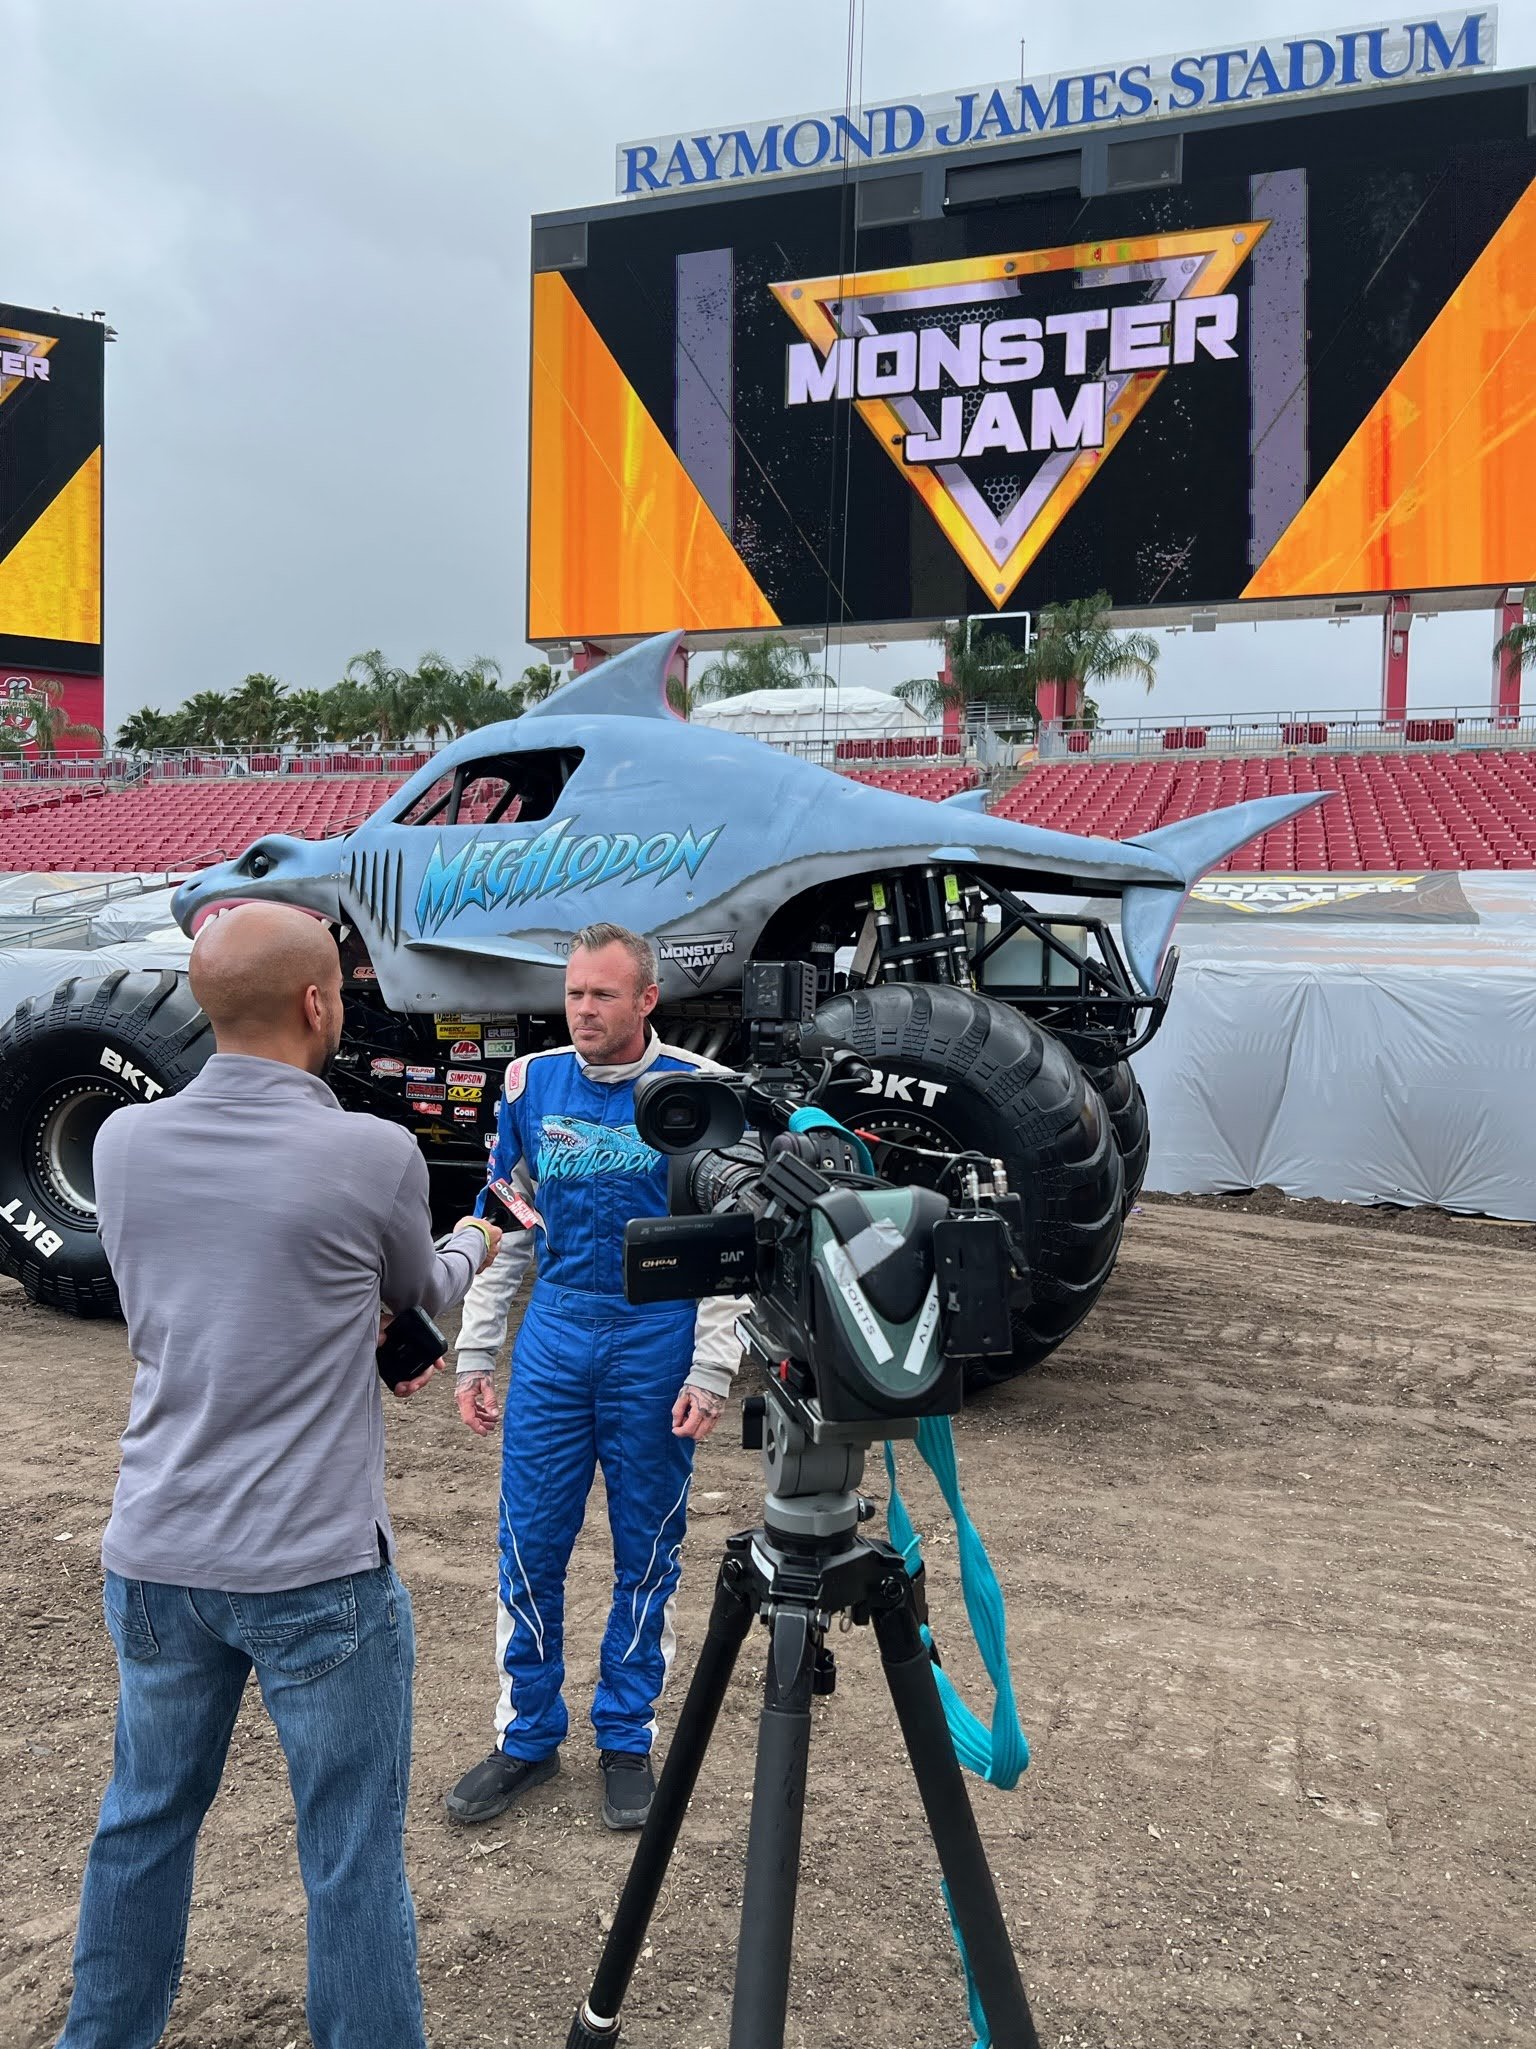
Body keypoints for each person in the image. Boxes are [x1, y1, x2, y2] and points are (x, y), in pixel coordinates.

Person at [56, 902, 502, 2049]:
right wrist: (484, 1240)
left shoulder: (121, 1144)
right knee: (349, 1853)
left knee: (142, 1822)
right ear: (318, 1005)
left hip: (157, 1553)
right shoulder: (371, 1151)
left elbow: (227, 1281)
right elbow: (417, 1291)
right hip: (314, 1569)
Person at [445, 921, 739, 1833]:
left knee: (647, 1545)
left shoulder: (700, 1093)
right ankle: (526, 1737)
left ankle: (626, 1737)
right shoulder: (531, 1084)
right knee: (528, 1540)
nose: (582, 1010)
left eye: (602, 995)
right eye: (574, 993)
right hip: (559, 1333)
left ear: (646, 999)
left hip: (657, 1335)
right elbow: (507, 1222)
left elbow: (726, 1249)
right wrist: (477, 1350)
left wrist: (714, 1365)